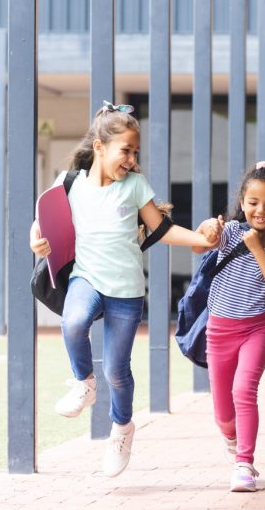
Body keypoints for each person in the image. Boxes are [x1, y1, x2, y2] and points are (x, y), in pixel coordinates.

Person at [29, 102, 219, 478]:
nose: (131, 159)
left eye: (136, 152)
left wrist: (200, 238)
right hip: (87, 278)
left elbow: (161, 229)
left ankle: (122, 428)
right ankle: (84, 382)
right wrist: (36, 243)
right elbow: (41, 224)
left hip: (127, 290)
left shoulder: (135, 186)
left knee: (118, 368)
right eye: (125, 151)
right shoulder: (70, 183)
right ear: (99, 147)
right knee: (74, 320)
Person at [198, 161, 265, 493]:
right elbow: (199, 245)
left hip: (257, 331)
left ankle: (244, 464)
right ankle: (232, 438)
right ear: (242, 203)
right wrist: (208, 228)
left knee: (243, 392)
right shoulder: (231, 233)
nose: (260, 210)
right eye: (253, 202)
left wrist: (257, 248)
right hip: (219, 332)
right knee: (224, 414)